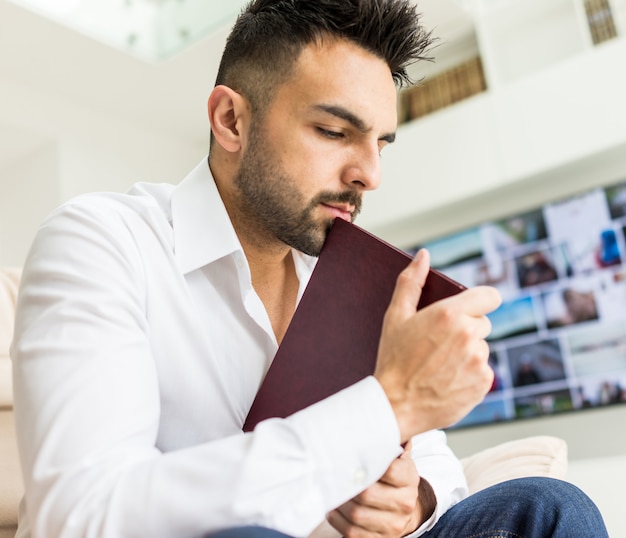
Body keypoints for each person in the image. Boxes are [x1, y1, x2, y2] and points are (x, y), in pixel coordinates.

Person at [10, 1, 608, 537]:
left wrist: (412, 504)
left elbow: (431, 465)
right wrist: (387, 405)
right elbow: (80, 516)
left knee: (551, 507)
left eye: (381, 143)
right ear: (231, 121)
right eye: (333, 131)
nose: (370, 174)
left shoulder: (360, 279)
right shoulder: (101, 242)